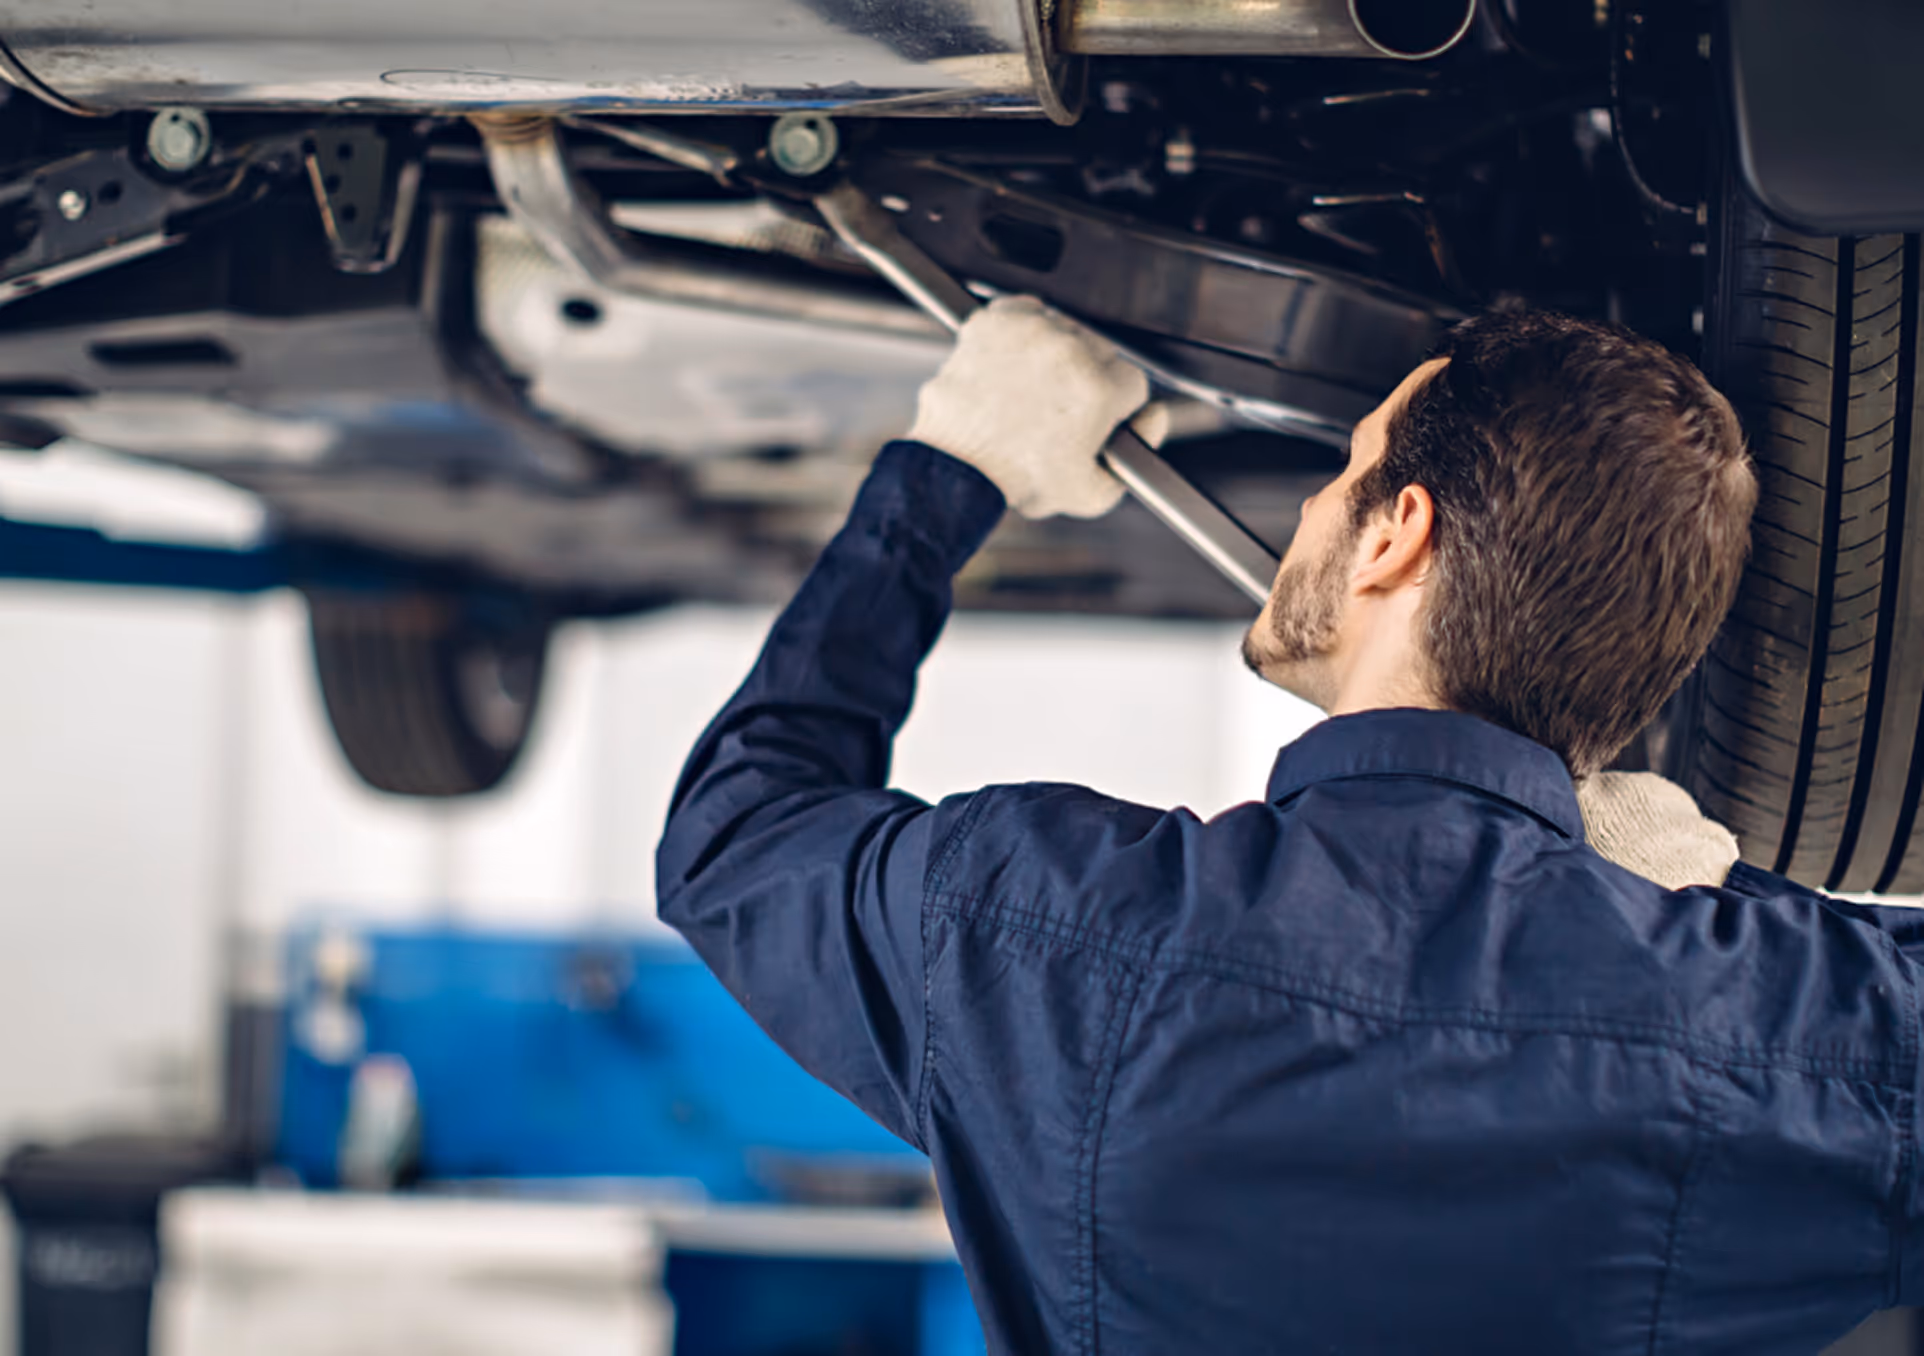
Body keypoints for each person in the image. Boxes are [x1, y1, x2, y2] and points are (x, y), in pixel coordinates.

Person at [656, 297, 1924, 1354]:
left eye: (1343, 472)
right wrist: (1736, 911)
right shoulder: (1779, 1030)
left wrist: (953, 472)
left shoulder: (1037, 926)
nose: (1313, 513)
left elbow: (737, 836)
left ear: (1395, 536)